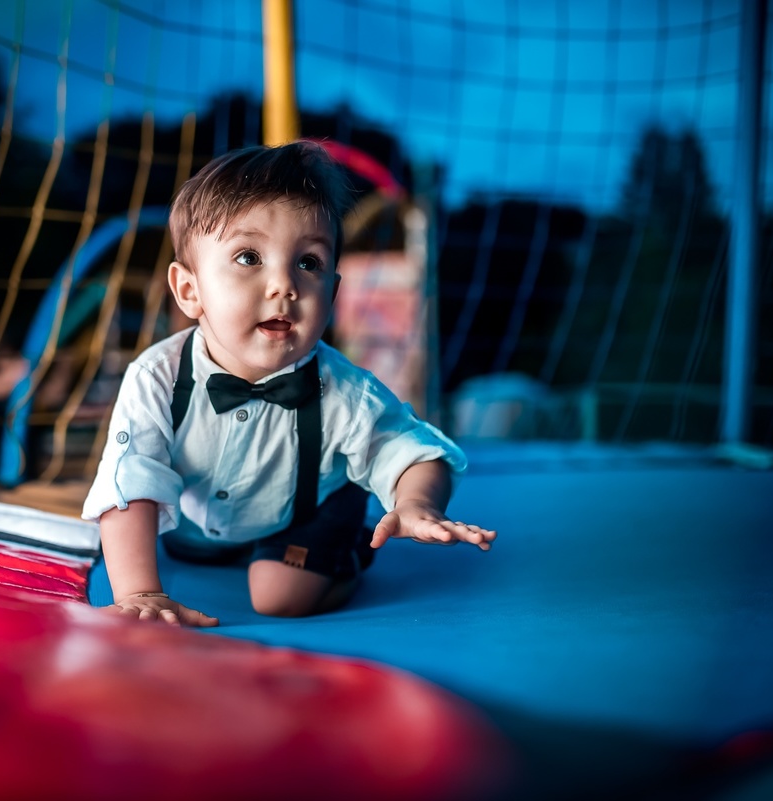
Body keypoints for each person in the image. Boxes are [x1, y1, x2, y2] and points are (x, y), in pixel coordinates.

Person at [82, 141, 496, 627]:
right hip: (199, 524)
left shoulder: (344, 391)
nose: (284, 285)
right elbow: (131, 480)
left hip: (304, 514)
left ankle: (348, 551)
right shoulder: (157, 377)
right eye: (249, 257)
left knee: (279, 595)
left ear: (333, 293)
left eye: (309, 263)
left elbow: (413, 451)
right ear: (190, 291)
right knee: (169, 544)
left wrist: (416, 502)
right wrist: (140, 592)